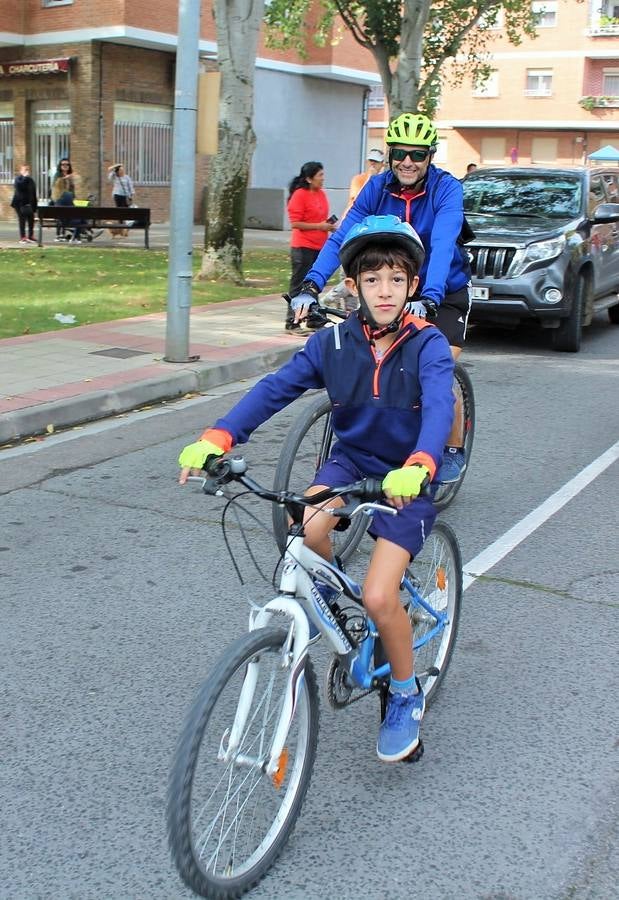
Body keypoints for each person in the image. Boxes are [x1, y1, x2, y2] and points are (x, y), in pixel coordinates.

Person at [177, 214, 455, 763]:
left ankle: (403, 694)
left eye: (396, 280)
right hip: (351, 462)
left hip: (406, 475)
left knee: (379, 596)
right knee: (305, 525)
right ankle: (331, 603)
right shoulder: (332, 343)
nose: (384, 290)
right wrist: (219, 435)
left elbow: (440, 407)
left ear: (412, 286)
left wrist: (421, 463)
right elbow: (276, 389)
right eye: (372, 279)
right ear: (351, 286)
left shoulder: (429, 344)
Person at [288, 112, 472, 483]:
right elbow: (342, 237)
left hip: (443, 288)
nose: (408, 161)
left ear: (430, 156)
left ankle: (449, 447)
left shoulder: (446, 189)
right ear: (389, 155)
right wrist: (310, 286)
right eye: (400, 153)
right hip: (389, 287)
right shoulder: (377, 187)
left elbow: (441, 242)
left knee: (438, 368)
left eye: (417, 155)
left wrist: (431, 297)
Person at [285, 161, 337, 332]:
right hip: (303, 247)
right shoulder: (300, 195)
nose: (323, 178)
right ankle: (292, 320)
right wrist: (319, 226)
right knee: (299, 285)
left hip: (319, 246)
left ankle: (313, 318)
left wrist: (329, 225)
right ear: (309, 178)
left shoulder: (321, 194)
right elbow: (295, 223)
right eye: (319, 175)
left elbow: (319, 217)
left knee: (314, 284)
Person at [51, 158, 82, 243]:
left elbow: (74, 188)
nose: (65, 166)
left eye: (67, 164)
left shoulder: (70, 176)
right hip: (60, 199)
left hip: (69, 199)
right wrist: (65, 178)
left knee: (76, 214)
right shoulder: (58, 175)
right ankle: (61, 235)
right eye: (63, 164)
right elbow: (56, 186)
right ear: (60, 166)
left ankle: (75, 235)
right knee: (63, 215)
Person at [11, 164, 38, 244]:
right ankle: (22, 237)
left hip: (28, 204)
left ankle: (30, 236)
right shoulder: (18, 179)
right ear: (21, 171)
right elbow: (20, 187)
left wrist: (34, 207)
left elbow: (33, 193)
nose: (27, 171)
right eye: (25, 170)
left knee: (31, 219)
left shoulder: (30, 180)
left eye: (28, 170)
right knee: (22, 219)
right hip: (19, 203)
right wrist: (25, 177)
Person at [107, 163, 135, 237]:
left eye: (123, 170)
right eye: (121, 170)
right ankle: (122, 229)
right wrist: (116, 166)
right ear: (117, 171)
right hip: (117, 195)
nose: (122, 171)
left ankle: (124, 228)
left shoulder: (127, 177)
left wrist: (131, 195)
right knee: (120, 212)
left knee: (125, 212)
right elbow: (109, 171)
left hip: (125, 196)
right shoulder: (115, 176)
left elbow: (131, 187)